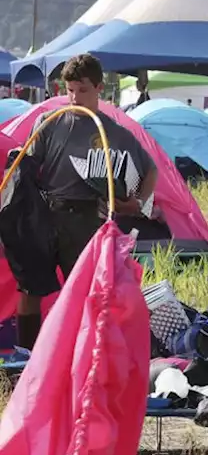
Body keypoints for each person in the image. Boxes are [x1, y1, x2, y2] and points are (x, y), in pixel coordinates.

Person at [15, 53, 158, 351]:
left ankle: (79, 358)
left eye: (82, 90)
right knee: (30, 289)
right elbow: (27, 168)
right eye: (69, 90)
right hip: (45, 214)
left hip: (86, 219)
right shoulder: (48, 122)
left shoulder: (115, 132)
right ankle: (25, 360)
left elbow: (151, 170)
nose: (74, 97)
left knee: (84, 292)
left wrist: (138, 203)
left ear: (98, 89)